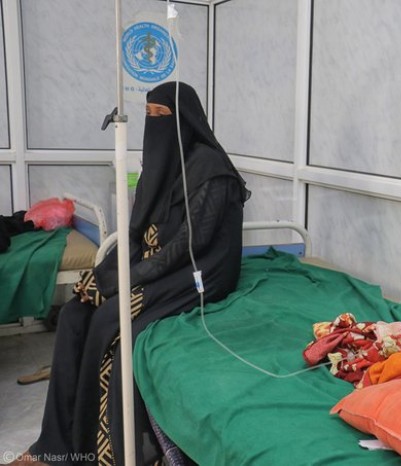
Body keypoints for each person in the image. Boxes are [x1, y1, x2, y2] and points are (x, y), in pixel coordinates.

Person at [11, 81, 249, 466]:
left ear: (184, 119)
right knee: (73, 314)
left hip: (199, 271)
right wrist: (103, 275)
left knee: (110, 321)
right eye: (148, 115)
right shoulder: (162, 162)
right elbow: (136, 231)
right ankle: (54, 446)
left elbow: (188, 245)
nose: (153, 123)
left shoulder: (212, 171)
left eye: (161, 115)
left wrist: (124, 280)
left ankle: (98, 450)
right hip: (158, 262)